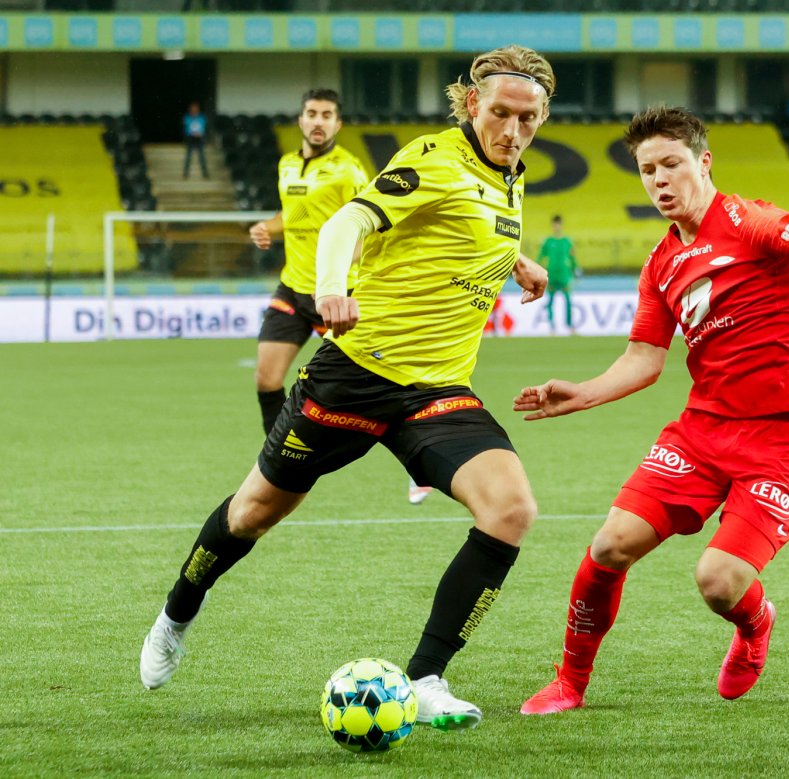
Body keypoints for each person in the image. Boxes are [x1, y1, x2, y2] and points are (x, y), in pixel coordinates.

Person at [139, 45, 556, 733]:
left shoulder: (508, 176)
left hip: (436, 391)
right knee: (252, 514)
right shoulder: (434, 157)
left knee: (511, 509)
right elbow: (347, 222)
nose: (512, 131)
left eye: (528, 119)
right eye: (501, 114)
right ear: (472, 104)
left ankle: (426, 677)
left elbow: (462, 228)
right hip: (355, 376)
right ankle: (175, 616)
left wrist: (519, 260)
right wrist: (331, 287)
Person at [515, 106, 789, 715]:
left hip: (782, 440)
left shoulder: (753, 222)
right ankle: (570, 683)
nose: (660, 180)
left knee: (718, 581)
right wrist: (582, 392)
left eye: (671, 164)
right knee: (609, 546)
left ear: (704, 162)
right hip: (703, 433)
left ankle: (756, 624)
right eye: (647, 171)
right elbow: (644, 359)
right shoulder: (660, 265)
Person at [247, 88, 432, 506]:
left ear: (338, 123)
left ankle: (420, 468)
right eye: (312, 113)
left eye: (327, 115)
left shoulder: (348, 170)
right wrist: (268, 228)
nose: (318, 121)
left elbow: (369, 225)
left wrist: (341, 274)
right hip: (294, 287)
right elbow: (296, 212)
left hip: (338, 294)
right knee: (266, 379)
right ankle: (278, 463)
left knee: (379, 384)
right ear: (301, 119)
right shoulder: (287, 164)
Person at [536, 215, 579, 334]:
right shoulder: (548, 241)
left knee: (568, 301)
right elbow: (541, 256)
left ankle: (570, 326)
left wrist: (576, 270)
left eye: (558, 224)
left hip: (564, 276)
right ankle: (552, 327)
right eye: (555, 225)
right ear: (552, 226)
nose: (556, 227)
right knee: (550, 301)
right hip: (552, 276)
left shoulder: (567, 242)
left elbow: (572, 258)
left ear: (561, 225)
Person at [182, 101, 209, 180]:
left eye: (195, 109)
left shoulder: (202, 118)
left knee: (202, 156)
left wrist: (201, 133)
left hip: (199, 139)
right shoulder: (187, 118)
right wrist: (191, 133)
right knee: (188, 157)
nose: (194, 111)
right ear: (190, 110)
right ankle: (186, 173)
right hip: (190, 139)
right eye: (192, 109)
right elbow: (185, 129)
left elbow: (204, 128)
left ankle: (205, 173)